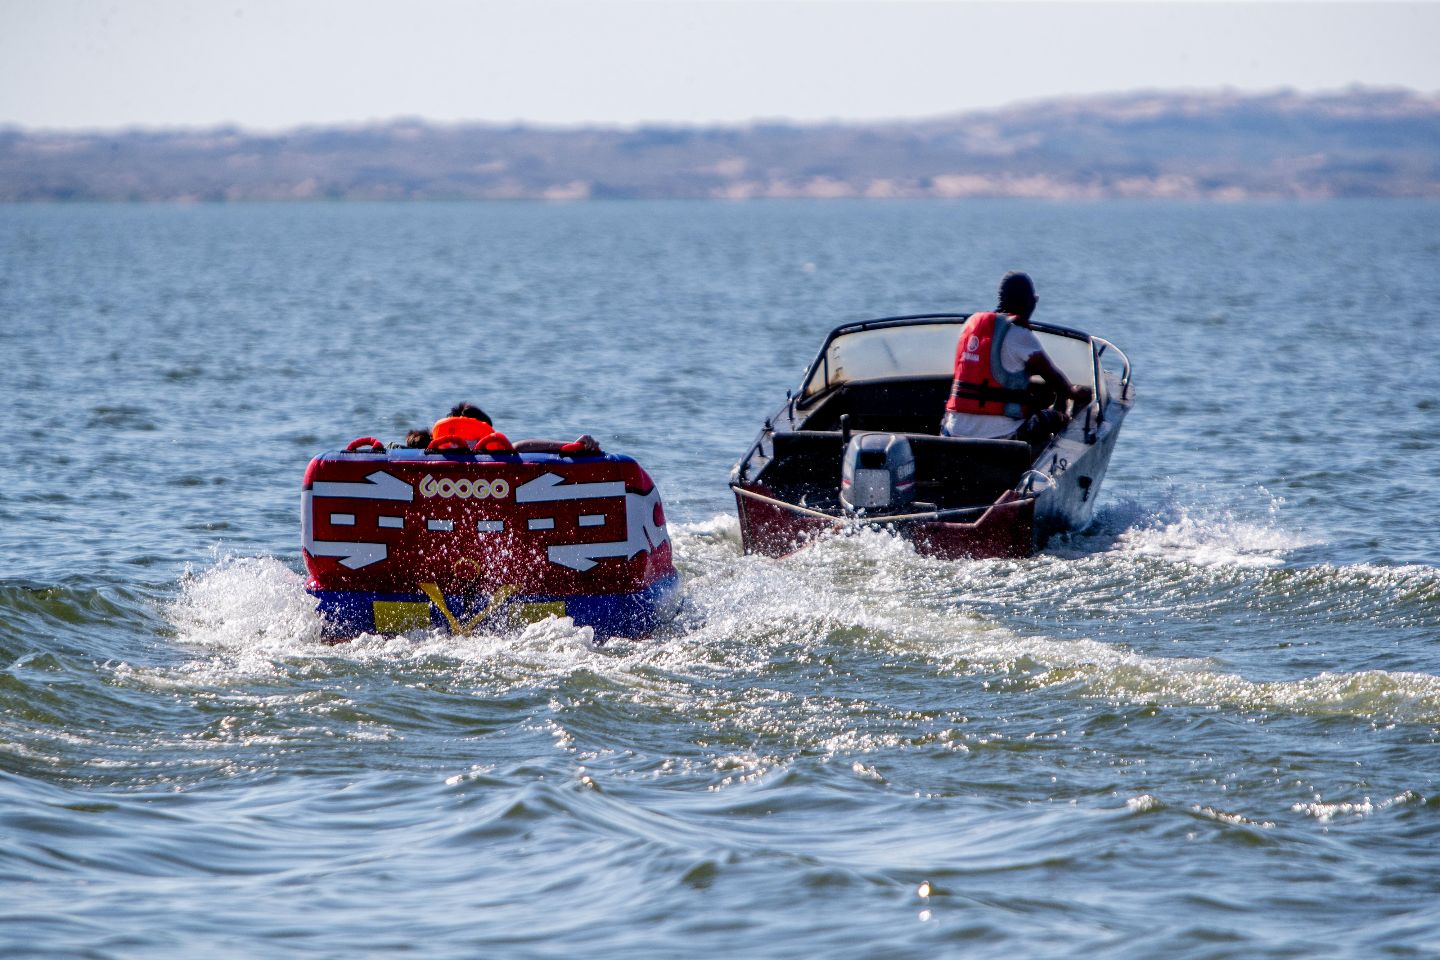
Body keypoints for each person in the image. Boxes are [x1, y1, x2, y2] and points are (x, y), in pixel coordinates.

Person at [942, 272, 1090, 443]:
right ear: (1028, 302)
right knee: (1058, 418)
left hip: (953, 433)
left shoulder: (969, 326)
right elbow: (1060, 385)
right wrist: (1078, 393)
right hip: (1003, 437)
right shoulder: (1019, 335)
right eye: (1034, 299)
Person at [429, 402, 601, 454]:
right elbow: (522, 447)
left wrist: (574, 446)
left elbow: (523, 447)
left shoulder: (426, 457)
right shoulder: (424, 457)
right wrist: (574, 445)